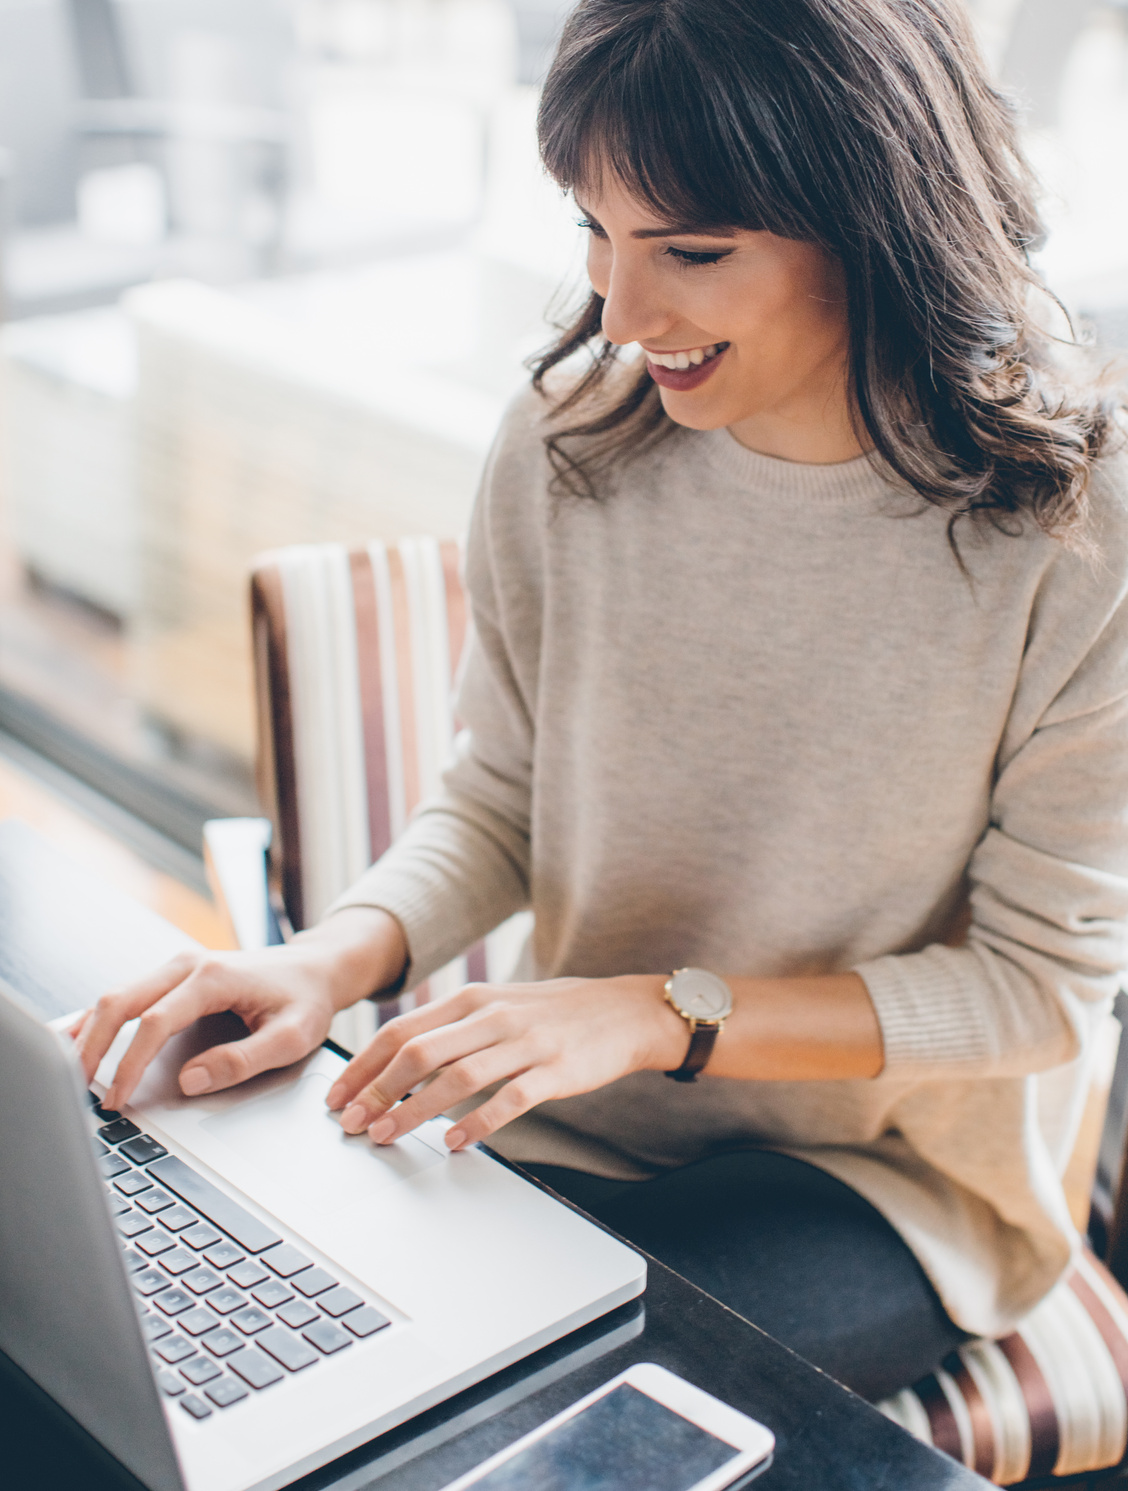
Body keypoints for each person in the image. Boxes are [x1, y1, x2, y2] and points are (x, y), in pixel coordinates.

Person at [75, 0, 1128, 1402]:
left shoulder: (1075, 527)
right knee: (248, 1365)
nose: (625, 315)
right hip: (575, 1119)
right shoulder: (570, 438)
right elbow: (503, 791)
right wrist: (327, 960)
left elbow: (1036, 995)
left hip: (883, 1183)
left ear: (882, 226)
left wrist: (657, 1013)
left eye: (691, 251)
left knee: (523, 1421)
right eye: (593, 228)